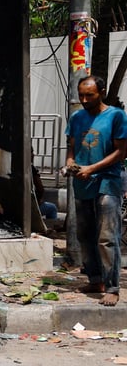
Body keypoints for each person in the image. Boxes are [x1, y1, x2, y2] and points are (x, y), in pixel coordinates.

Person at [65, 75, 127, 307]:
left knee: (107, 237)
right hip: (82, 183)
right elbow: (71, 147)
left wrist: (92, 168)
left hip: (108, 182)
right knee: (85, 234)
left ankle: (112, 287)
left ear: (101, 92)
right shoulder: (76, 117)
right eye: (81, 95)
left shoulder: (116, 116)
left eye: (89, 95)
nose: (84, 99)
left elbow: (121, 152)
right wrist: (71, 162)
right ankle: (95, 279)